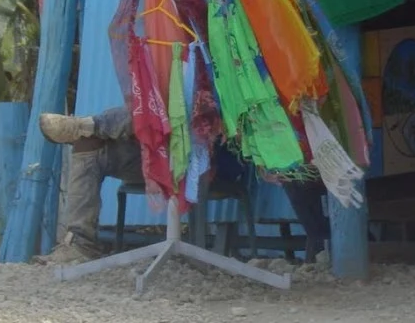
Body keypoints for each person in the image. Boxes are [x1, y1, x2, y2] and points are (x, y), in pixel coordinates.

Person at [38, 109, 331, 266]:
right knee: (91, 142)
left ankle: (91, 123)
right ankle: (80, 245)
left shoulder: (229, 84)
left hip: (208, 163)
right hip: (166, 153)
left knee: (162, 108)